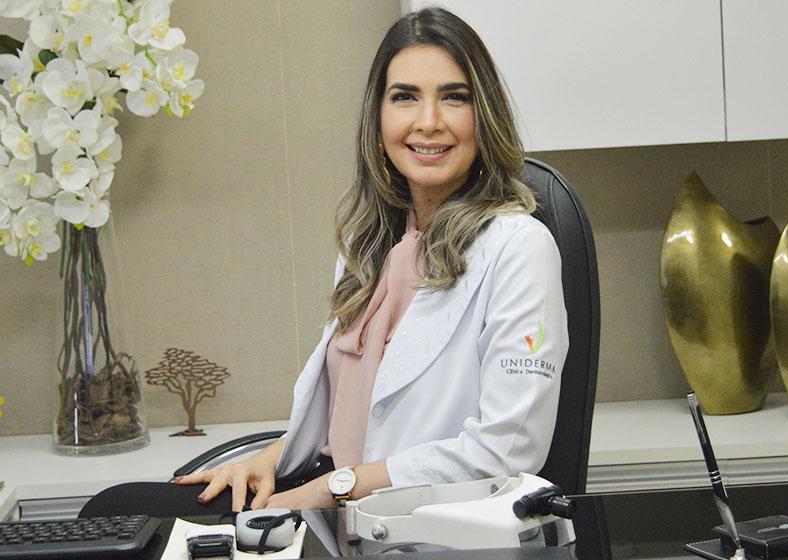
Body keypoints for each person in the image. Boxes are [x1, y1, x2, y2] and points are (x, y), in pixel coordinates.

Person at [175, 6, 568, 513]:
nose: (429, 122)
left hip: (421, 523)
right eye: (405, 97)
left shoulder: (519, 248)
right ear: (378, 118)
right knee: (126, 512)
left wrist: (330, 490)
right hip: (336, 496)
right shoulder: (368, 245)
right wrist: (268, 460)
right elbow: (352, 416)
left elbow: (505, 450)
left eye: (454, 97)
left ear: (484, 117)